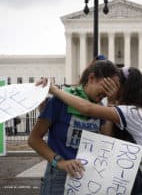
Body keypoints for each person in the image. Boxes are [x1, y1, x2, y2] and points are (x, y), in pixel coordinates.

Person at [44, 67, 142, 194]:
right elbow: (107, 138)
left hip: (131, 180)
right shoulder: (129, 110)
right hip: (121, 178)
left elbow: (87, 108)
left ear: (123, 87)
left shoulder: (133, 112)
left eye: (114, 84)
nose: (109, 88)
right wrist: (111, 101)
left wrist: (55, 90)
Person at [28, 58, 120, 195]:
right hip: (59, 175)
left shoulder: (99, 108)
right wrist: (59, 162)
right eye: (106, 86)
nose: (107, 93)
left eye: (112, 89)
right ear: (91, 78)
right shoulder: (59, 101)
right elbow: (34, 139)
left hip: (87, 174)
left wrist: (112, 103)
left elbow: (107, 139)